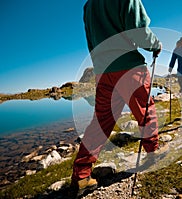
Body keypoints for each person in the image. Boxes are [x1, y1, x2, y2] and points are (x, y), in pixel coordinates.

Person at [71, 0, 168, 194]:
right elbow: (139, 32)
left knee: (101, 122)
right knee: (145, 111)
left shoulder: (89, 6)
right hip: (129, 66)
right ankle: (153, 153)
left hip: (103, 71)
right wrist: (156, 45)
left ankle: (81, 175)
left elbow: (91, 42)